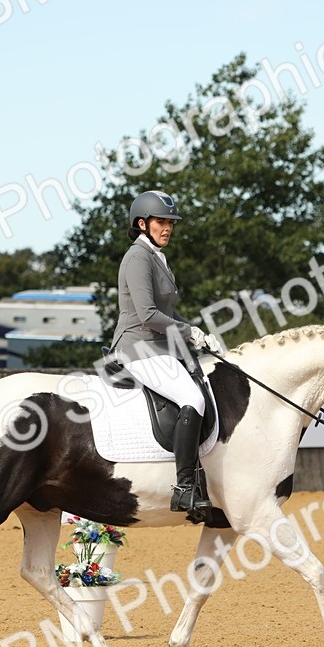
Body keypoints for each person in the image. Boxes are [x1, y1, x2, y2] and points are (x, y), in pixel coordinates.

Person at [109, 190, 214, 520]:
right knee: (192, 400)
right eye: (161, 222)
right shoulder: (138, 257)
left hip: (159, 348)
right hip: (138, 347)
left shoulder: (157, 257)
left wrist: (199, 334)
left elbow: (170, 312)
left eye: (170, 222)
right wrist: (188, 333)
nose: (167, 227)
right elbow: (149, 316)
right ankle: (184, 487)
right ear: (142, 224)